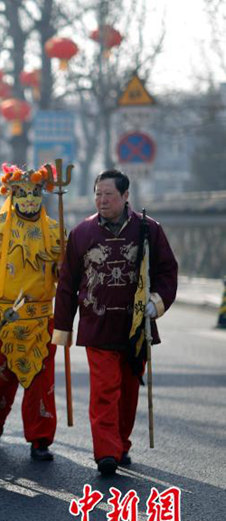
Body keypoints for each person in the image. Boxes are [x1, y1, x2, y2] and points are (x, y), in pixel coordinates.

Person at [52, 169, 178, 476]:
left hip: (136, 327)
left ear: (125, 196)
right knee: (105, 389)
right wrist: (63, 329)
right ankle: (106, 452)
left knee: (129, 389)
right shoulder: (82, 234)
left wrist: (156, 302)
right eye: (98, 194)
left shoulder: (148, 229)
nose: (102, 200)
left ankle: (121, 443)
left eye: (109, 195)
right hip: (97, 324)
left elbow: (167, 272)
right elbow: (68, 284)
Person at [0, 164, 62, 461]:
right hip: (3, 318)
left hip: (40, 319)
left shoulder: (55, 232)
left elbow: (66, 277)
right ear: (11, 195)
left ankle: (40, 439)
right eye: (22, 194)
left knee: (41, 380)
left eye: (35, 194)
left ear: (42, 196)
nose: (28, 200)